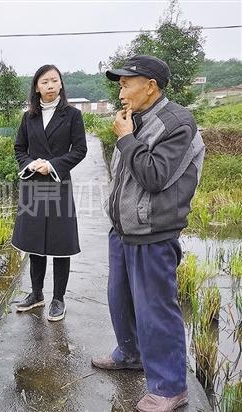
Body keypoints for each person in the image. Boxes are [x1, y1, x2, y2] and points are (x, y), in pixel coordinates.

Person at [92, 55, 205, 412]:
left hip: (154, 231)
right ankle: (130, 353)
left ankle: (170, 387)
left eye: (126, 83)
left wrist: (126, 139)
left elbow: (155, 176)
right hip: (124, 228)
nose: (121, 91)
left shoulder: (177, 123)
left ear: (150, 86)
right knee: (120, 299)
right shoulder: (135, 119)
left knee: (156, 309)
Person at [11, 64, 87, 321]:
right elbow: (19, 147)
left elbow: (79, 150)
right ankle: (36, 294)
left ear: (61, 84)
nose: (51, 85)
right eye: (45, 82)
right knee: (35, 243)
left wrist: (52, 165)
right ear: (37, 87)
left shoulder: (73, 115)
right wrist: (30, 164)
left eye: (55, 80)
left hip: (58, 183)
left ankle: (58, 298)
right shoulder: (28, 116)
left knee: (60, 243)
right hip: (33, 184)